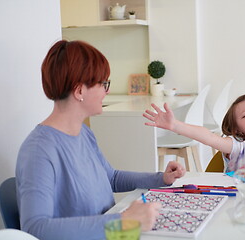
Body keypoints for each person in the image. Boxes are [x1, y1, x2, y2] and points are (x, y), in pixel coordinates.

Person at [16, 40, 186, 240]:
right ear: (79, 91)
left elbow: (111, 178)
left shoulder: (84, 133)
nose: (107, 91)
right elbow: (34, 229)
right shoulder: (39, 150)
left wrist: (160, 179)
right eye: (103, 84)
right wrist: (121, 221)